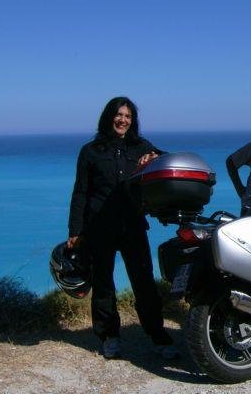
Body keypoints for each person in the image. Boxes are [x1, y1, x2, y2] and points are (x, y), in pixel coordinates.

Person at [67, 96, 178, 360]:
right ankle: (109, 337)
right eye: (119, 115)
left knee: (144, 283)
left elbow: (166, 160)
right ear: (109, 117)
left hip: (133, 225)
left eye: (128, 116)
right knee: (103, 283)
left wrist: (152, 159)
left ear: (133, 121)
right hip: (99, 227)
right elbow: (80, 192)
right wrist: (75, 230)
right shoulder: (91, 151)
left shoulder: (141, 146)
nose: (123, 120)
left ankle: (158, 336)